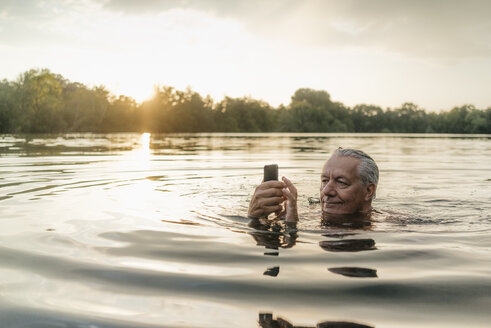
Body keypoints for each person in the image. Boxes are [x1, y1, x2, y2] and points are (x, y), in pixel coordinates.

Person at [248, 148, 379, 224]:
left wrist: (292, 227)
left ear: (368, 191)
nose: (326, 191)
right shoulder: (307, 216)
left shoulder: (391, 225)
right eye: (324, 180)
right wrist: (256, 216)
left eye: (341, 182)